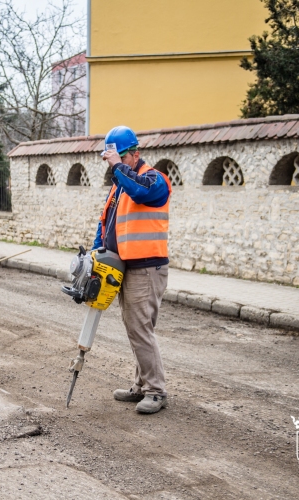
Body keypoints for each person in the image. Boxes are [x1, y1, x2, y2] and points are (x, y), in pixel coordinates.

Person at [94, 125, 172, 414]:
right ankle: (140, 387)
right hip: (124, 266)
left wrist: (118, 169)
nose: (114, 164)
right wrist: (97, 253)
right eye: (111, 160)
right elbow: (106, 223)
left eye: (120, 158)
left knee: (141, 329)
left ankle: (156, 391)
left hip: (147, 268)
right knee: (135, 328)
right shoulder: (119, 185)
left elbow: (141, 192)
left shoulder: (155, 179)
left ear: (135, 154)